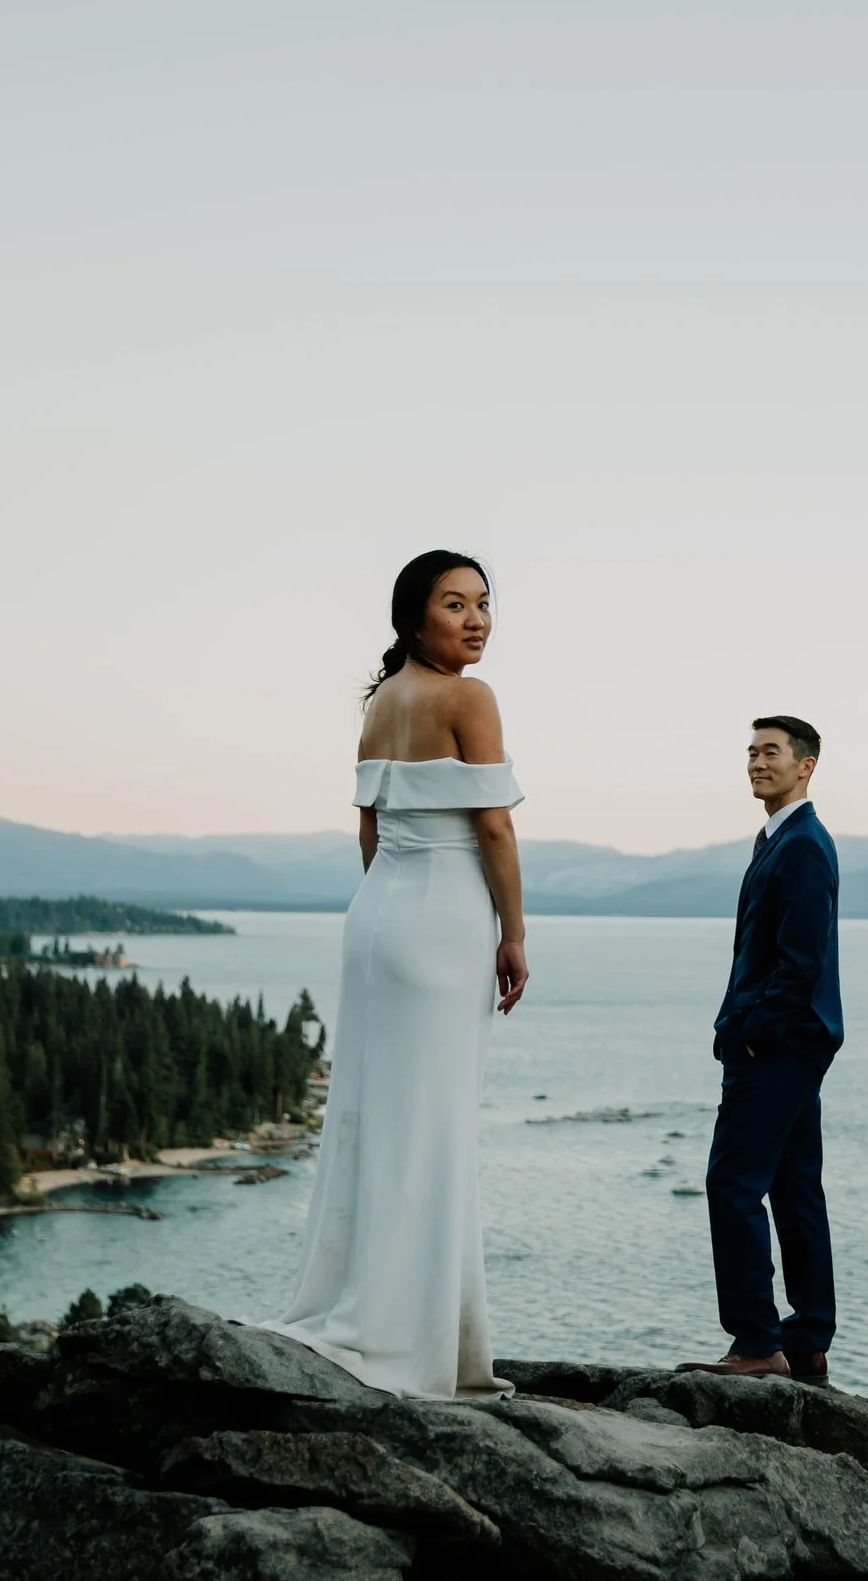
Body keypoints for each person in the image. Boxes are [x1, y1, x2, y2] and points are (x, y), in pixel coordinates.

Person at [265, 550, 527, 1400]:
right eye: (456, 604)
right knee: (433, 1125)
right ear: (414, 617)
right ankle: (414, 1338)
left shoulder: (381, 701)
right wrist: (513, 932)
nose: (477, 618)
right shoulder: (467, 697)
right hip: (442, 922)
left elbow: (371, 832)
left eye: (484, 603)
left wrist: (389, 906)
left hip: (377, 918)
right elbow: (492, 830)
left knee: (377, 1117)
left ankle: (365, 1303)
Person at [681, 716, 844, 1383]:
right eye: (751, 751)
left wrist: (745, 1032)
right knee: (795, 1186)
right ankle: (807, 1338)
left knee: (733, 1184)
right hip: (796, 1041)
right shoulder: (777, 838)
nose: (757, 762)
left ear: (805, 765)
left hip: (777, 1044)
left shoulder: (802, 843)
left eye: (770, 752)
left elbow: (798, 962)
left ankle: (756, 1339)